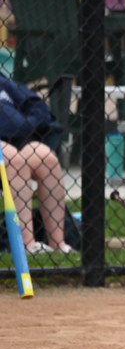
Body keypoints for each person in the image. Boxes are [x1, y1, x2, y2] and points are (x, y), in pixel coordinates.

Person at [0, 74, 73, 254]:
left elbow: (38, 107)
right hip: (7, 146)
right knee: (14, 160)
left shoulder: (3, 82)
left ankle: (58, 243)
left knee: (46, 158)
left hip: (20, 140)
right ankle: (27, 244)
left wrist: (27, 124)